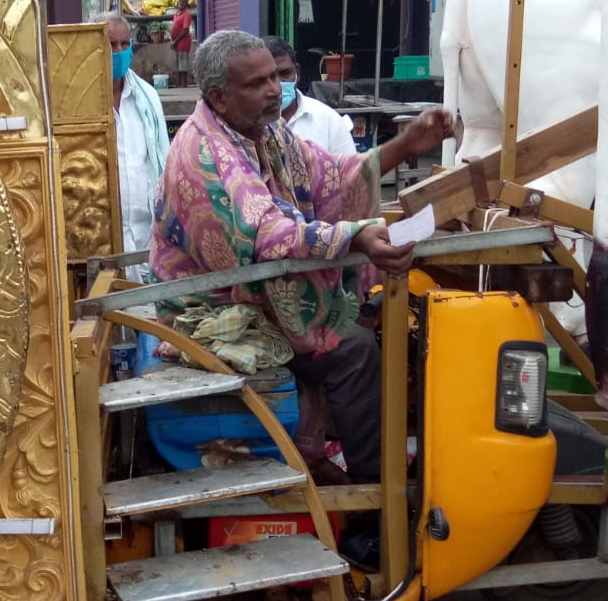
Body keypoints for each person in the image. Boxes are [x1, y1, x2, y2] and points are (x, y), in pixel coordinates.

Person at [150, 30, 452, 491]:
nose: (274, 90)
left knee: (376, 322)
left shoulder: (268, 134)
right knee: (353, 352)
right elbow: (265, 233)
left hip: (260, 296)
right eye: (257, 83)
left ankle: (348, 467)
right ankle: (379, 497)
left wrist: (407, 144)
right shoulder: (204, 154)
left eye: (276, 77)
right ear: (219, 97)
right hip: (216, 316)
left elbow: (331, 178)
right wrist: (357, 237)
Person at [96, 11, 171, 282]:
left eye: (124, 44)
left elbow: (163, 158)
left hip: (146, 234)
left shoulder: (147, 98)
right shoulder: (81, 103)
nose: (119, 51)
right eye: (111, 44)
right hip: (100, 235)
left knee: (147, 314)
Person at [262, 35, 357, 156]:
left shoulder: (328, 121)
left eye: (285, 73)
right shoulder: (244, 124)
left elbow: (350, 171)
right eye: (269, 76)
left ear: (298, 72)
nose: (278, 85)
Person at [170, 0, 194, 88]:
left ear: (187, 3)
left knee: (183, 62)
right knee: (177, 63)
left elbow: (185, 30)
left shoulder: (187, 14)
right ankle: (179, 83)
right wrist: (173, 42)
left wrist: (175, 41)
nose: (181, 3)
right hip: (176, 42)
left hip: (183, 42)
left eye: (183, 2)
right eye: (180, 1)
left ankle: (184, 83)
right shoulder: (176, 14)